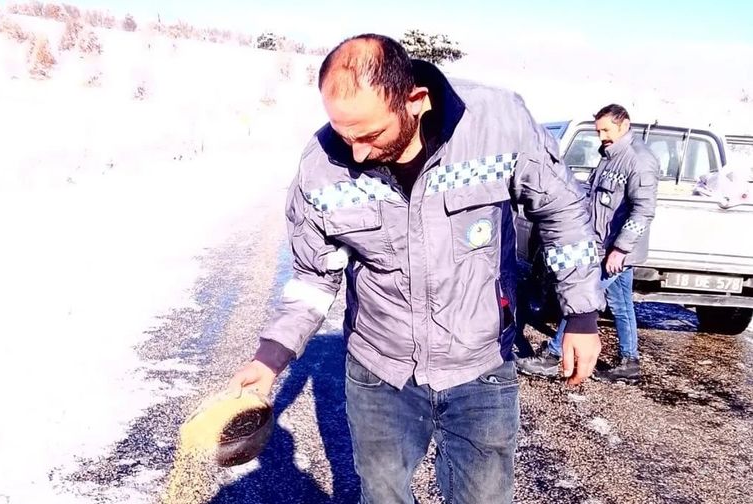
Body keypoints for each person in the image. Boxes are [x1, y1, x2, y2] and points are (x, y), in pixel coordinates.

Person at [226, 34, 603, 503]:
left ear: (416, 100)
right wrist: (271, 357)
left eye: (370, 135)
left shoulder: (497, 124)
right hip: (381, 372)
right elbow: (312, 276)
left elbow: (564, 212)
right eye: (345, 135)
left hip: (479, 365)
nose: (357, 153)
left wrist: (582, 315)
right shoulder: (320, 167)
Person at [517, 104, 659, 383]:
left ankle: (554, 355)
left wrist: (620, 249)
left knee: (583, 299)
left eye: (606, 130)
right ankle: (630, 361)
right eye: (598, 131)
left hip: (614, 249)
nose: (601, 136)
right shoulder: (610, 155)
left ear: (624, 125)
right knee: (620, 304)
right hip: (601, 244)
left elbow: (643, 210)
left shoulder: (639, 160)